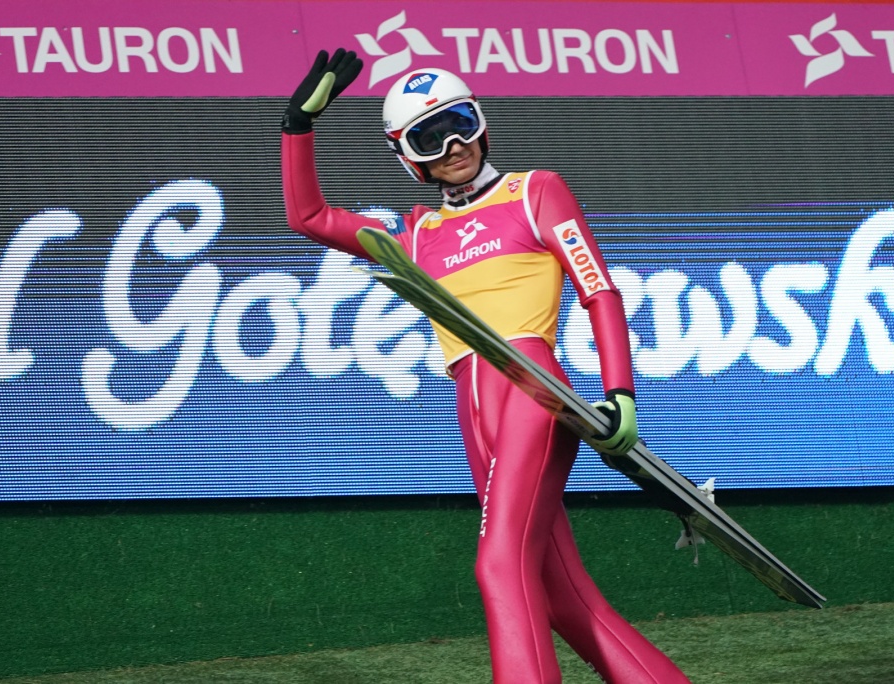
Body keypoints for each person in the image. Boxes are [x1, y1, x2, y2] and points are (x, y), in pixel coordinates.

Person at [280, 48, 690, 684]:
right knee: (563, 598)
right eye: (430, 137)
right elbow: (309, 217)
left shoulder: (536, 191)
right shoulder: (415, 236)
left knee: (499, 565)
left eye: (461, 124)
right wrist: (298, 127)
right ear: (407, 156)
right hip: (473, 411)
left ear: (481, 122)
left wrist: (620, 393)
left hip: (532, 390)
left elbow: (599, 291)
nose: (453, 146)